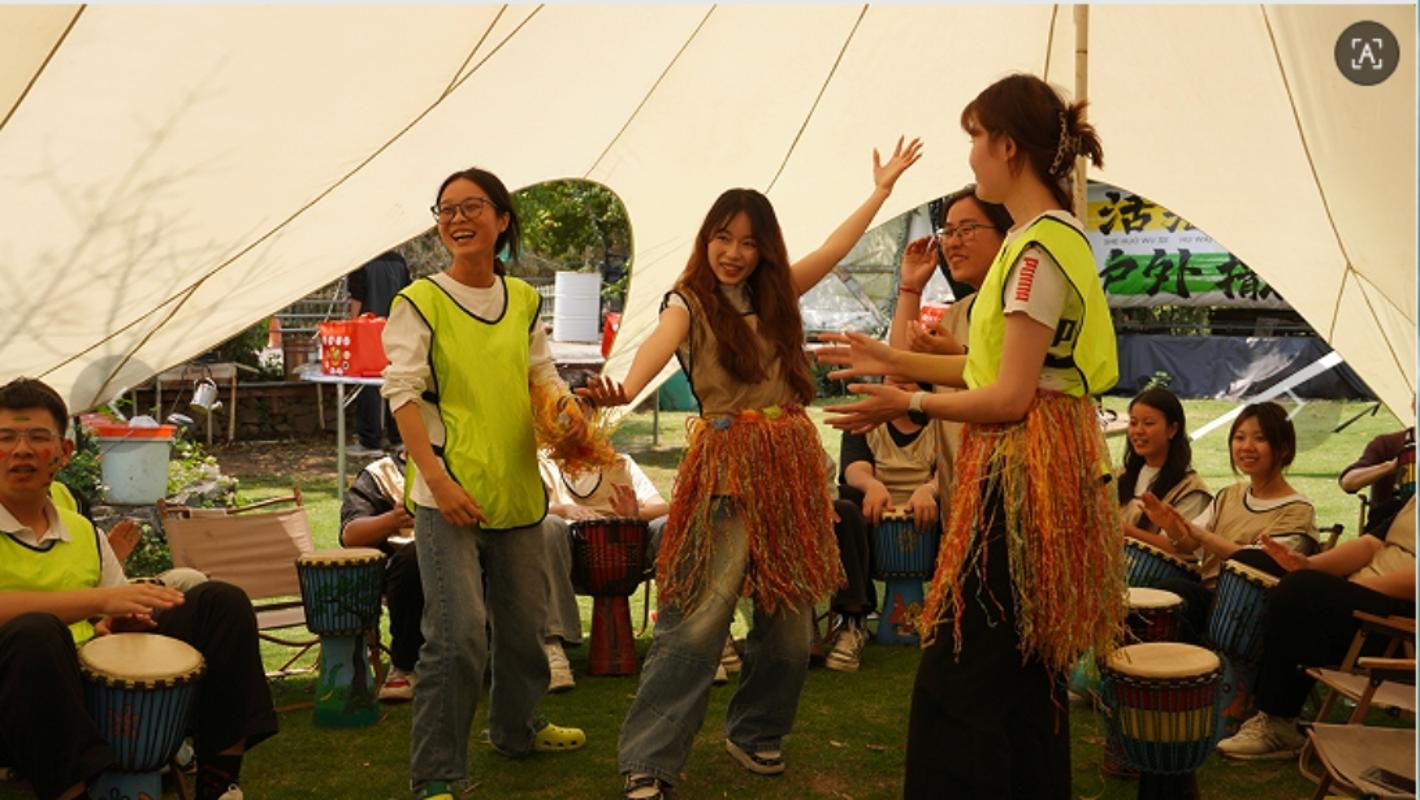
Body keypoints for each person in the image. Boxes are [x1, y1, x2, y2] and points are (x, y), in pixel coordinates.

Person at [578, 137, 922, 800]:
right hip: (726, 469)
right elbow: (658, 345)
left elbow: (834, 247)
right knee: (697, 619)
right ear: (706, 240)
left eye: (747, 242)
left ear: (764, 249)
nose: (733, 252)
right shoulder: (687, 301)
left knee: (791, 625)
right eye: (722, 237)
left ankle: (756, 731)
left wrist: (880, 191)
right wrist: (626, 388)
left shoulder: (778, 294)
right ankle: (648, 761)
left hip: (788, 471)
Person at [817, 74, 1121, 798]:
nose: (972, 155)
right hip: (1024, 473)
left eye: (976, 139)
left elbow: (1011, 396)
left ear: (1007, 146)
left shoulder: (1038, 253)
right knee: (1023, 673)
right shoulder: (1042, 240)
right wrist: (890, 357)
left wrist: (909, 398)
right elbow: (985, 368)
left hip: (1023, 479)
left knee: (959, 674)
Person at [381, 168, 588, 800]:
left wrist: (570, 413)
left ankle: (517, 730)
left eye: (471, 206)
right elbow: (401, 394)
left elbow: (542, 375)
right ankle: (437, 773)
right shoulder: (420, 300)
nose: (457, 219)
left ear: (502, 219)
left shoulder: (522, 300)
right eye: (446, 209)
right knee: (458, 638)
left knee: (525, 631)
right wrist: (438, 482)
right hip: (447, 497)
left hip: (516, 490)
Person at [0, 377, 277, 800]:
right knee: (34, 633)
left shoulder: (83, 532)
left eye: (38, 437)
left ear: (64, 452)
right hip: (16, 700)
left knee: (220, 602)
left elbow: (109, 616)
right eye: (6, 438)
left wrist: (122, 621)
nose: (21, 450)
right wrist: (100, 600)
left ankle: (219, 784)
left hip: (90, 691)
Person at [1215, 495, 1415, 759]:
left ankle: (1279, 722)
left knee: (1303, 590)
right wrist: (1308, 565)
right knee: (1251, 560)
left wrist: (1343, 588)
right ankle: (1241, 694)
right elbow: (1370, 544)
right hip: (1362, 598)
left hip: (1396, 626)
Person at [1141, 401, 1320, 639]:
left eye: (1260, 438)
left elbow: (1258, 563)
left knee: (1172, 594)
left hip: (1249, 612)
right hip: (1210, 596)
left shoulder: (1297, 511)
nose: (1246, 447)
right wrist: (1172, 527)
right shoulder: (1229, 495)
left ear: (1284, 449)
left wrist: (1204, 536)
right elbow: (1190, 545)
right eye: (1239, 437)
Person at [828, 383, 941, 672]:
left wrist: (929, 490)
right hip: (874, 513)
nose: (898, 384)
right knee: (845, 506)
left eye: (907, 377)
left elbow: (953, 469)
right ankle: (852, 619)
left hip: (931, 511)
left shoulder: (942, 420)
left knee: (963, 498)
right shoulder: (865, 420)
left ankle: (956, 615)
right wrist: (872, 486)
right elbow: (854, 468)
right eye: (892, 378)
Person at [538, 450, 669, 692]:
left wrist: (635, 513)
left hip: (628, 552)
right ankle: (551, 647)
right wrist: (563, 510)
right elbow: (523, 508)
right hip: (566, 554)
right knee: (548, 526)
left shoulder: (620, 462)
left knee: (668, 526)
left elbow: (661, 507)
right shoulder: (540, 463)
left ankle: (685, 642)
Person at [338, 449, 422, 702]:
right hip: (407, 575)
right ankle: (405, 665)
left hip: (467, 556)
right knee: (416, 556)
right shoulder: (381, 475)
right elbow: (350, 535)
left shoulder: (467, 462)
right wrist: (393, 519)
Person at [1116, 387, 1212, 550]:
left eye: (1148, 423)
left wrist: (1124, 531)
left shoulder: (1191, 489)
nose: (1138, 431)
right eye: (1133, 423)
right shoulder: (1119, 476)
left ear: (1172, 429)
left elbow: (1182, 548)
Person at [347, 250, 412, 458]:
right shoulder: (399, 261)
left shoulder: (362, 261)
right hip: (396, 329)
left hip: (369, 331)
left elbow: (357, 298)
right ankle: (398, 437)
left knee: (367, 385)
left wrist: (353, 328)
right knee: (396, 383)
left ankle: (370, 441)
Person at [1338, 414, 1415, 535]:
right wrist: (1390, 466)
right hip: (1387, 529)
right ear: (1414, 406)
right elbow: (1348, 482)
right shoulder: (1387, 443)